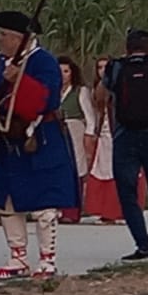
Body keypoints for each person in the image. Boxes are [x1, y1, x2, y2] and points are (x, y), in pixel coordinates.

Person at [0, 11, 79, 280]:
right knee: (6, 200)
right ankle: (17, 257)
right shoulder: (6, 62)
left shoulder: (43, 62)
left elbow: (46, 100)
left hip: (38, 139)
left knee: (45, 203)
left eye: (4, 35)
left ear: (20, 38)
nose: (0, 39)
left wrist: (18, 78)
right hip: (10, 142)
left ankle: (47, 259)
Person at [99, 30, 148, 259]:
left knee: (127, 193)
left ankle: (143, 245)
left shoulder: (115, 67)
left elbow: (100, 97)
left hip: (125, 137)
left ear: (127, 48)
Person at [83, 56, 136, 223]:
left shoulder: (123, 86)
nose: (103, 70)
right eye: (99, 67)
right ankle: (105, 211)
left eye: (106, 67)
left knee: (120, 173)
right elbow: (93, 116)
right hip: (104, 135)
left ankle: (121, 211)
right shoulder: (94, 91)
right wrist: (91, 134)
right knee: (103, 172)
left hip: (121, 134)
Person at [58, 55, 93, 221]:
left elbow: (90, 117)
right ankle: (60, 208)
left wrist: (88, 135)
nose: (63, 75)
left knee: (76, 168)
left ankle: (73, 211)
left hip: (75, 129)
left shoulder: (80, 91)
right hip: (57, 130)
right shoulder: (53, 91)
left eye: (66, 71)